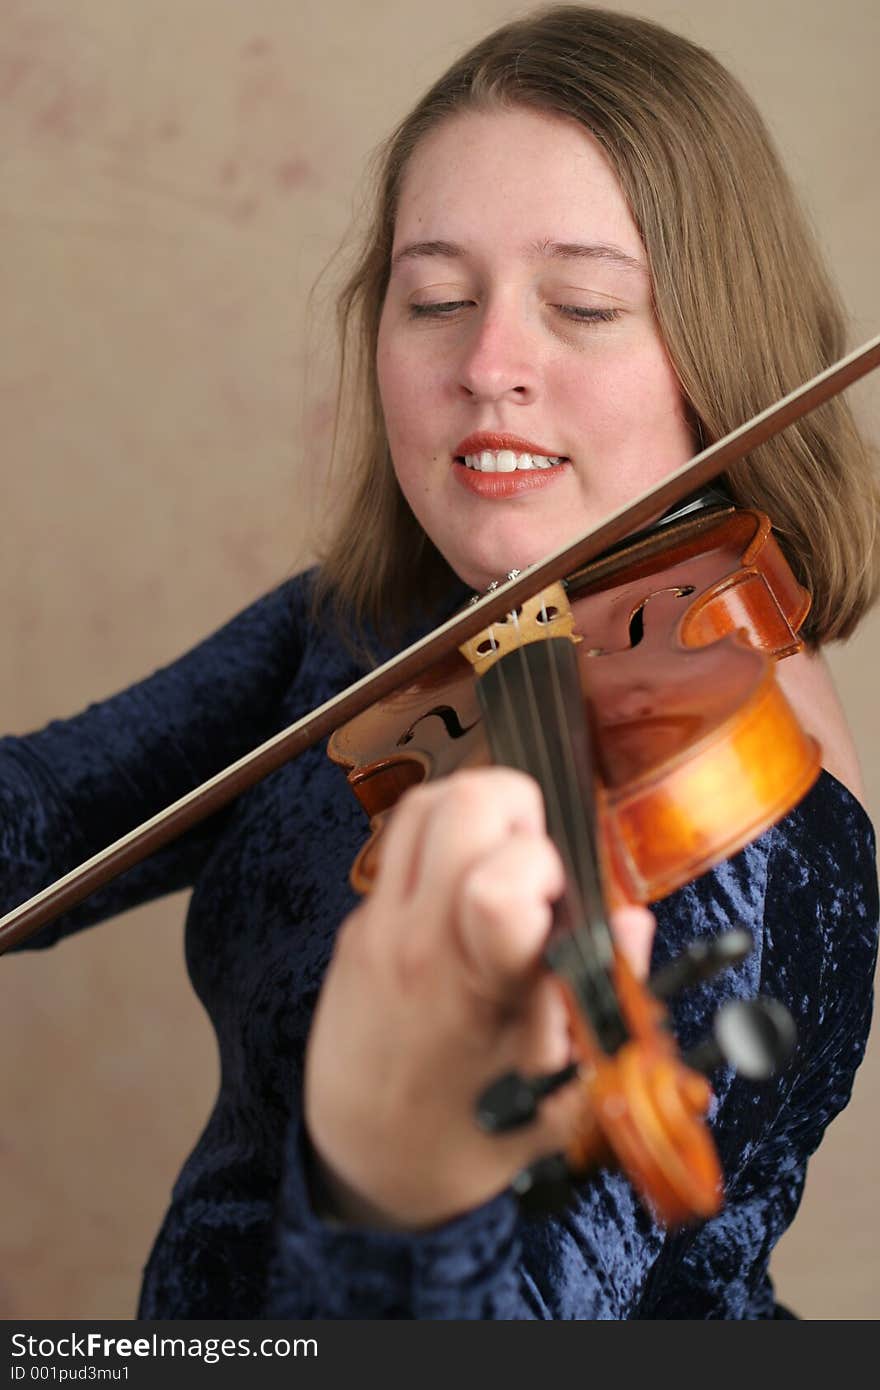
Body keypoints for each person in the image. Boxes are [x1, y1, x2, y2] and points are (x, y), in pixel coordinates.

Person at [2, 5, 878, 1319]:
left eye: (582, 305)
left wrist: (394, 1176)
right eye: (437, 299)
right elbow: (44, 814)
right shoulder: (367, 629)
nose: (487, 367)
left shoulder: (756, 850)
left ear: (722, 353)